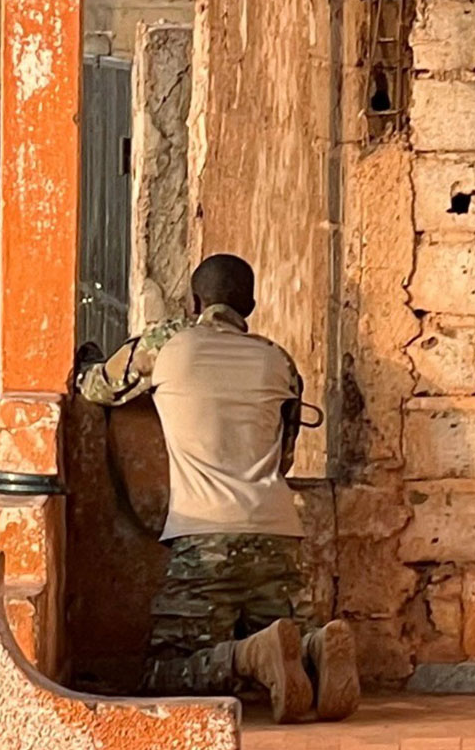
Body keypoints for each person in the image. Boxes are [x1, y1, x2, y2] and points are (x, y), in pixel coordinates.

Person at [76, 254, 359, 724]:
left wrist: (87, 360)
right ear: (249, 303)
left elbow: (97, 387)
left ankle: (248, 658)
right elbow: (284, 456)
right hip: (277, 536)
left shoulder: (168, 343)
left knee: (163, 675)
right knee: (281, 632)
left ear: (194, 301)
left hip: (202, 540)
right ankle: (313, 649)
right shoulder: (280, 361)